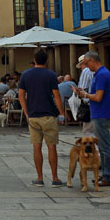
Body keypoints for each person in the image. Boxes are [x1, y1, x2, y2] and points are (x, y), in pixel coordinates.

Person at [18, 48, 67, 187]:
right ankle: (55, 178)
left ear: (34, 60)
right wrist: (62, 112)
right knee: (52, 147)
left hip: (33, 115)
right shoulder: (51, 75)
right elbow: (56, 96)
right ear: (47, 60)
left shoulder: (26, 75)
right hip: (49, 115)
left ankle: (39, 178)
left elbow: (21, 95)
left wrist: (26, 112)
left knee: (36, 147)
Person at [77, 51, 110, 187]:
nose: (87, 67)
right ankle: (105, 174)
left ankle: (109, 176)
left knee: (105, 147)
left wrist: (86, 94)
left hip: (101, 113)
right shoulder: (100, 74)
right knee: (103, 146)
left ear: (93, 61)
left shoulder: (101, 75)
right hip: (99, 113)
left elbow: (98, 97)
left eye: (87, 64)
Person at [76, 54, 96, 137]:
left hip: (88, 104)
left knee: (87, 131)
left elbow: (82, 90)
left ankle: (91, 149)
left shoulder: (86, 71)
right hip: (97, 104)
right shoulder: (97, 71)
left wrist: (76, 91)